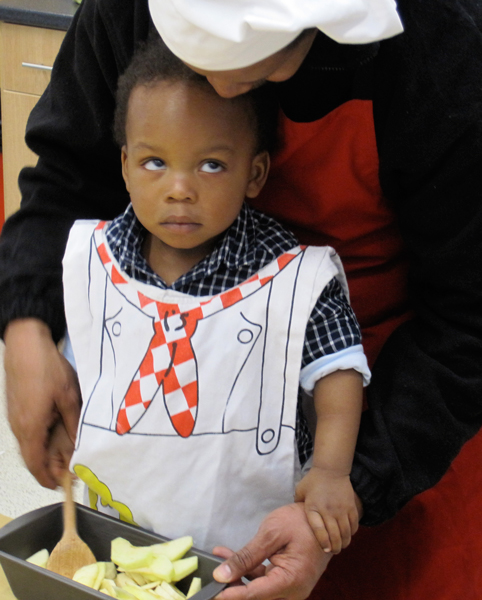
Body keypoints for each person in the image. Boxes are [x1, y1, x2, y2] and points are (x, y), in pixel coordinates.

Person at [0, 0, 481, 598]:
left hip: (393, 390)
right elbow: (65, 178)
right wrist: (25, 324)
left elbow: (467, 323)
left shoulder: (438, 47)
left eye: (255, 68)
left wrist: (347, 481)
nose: (222, 87)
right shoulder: (119, 13)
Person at [53, 38, 370, 557]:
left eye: (211, 166)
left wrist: (333, 472)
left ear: (256, 173)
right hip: (116, 530)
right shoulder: (94, 260)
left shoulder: (291, 277)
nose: (180, 189)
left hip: (247, 550)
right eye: (155, 163)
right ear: (126, 165)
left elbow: (338, 373)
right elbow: (84, 363)